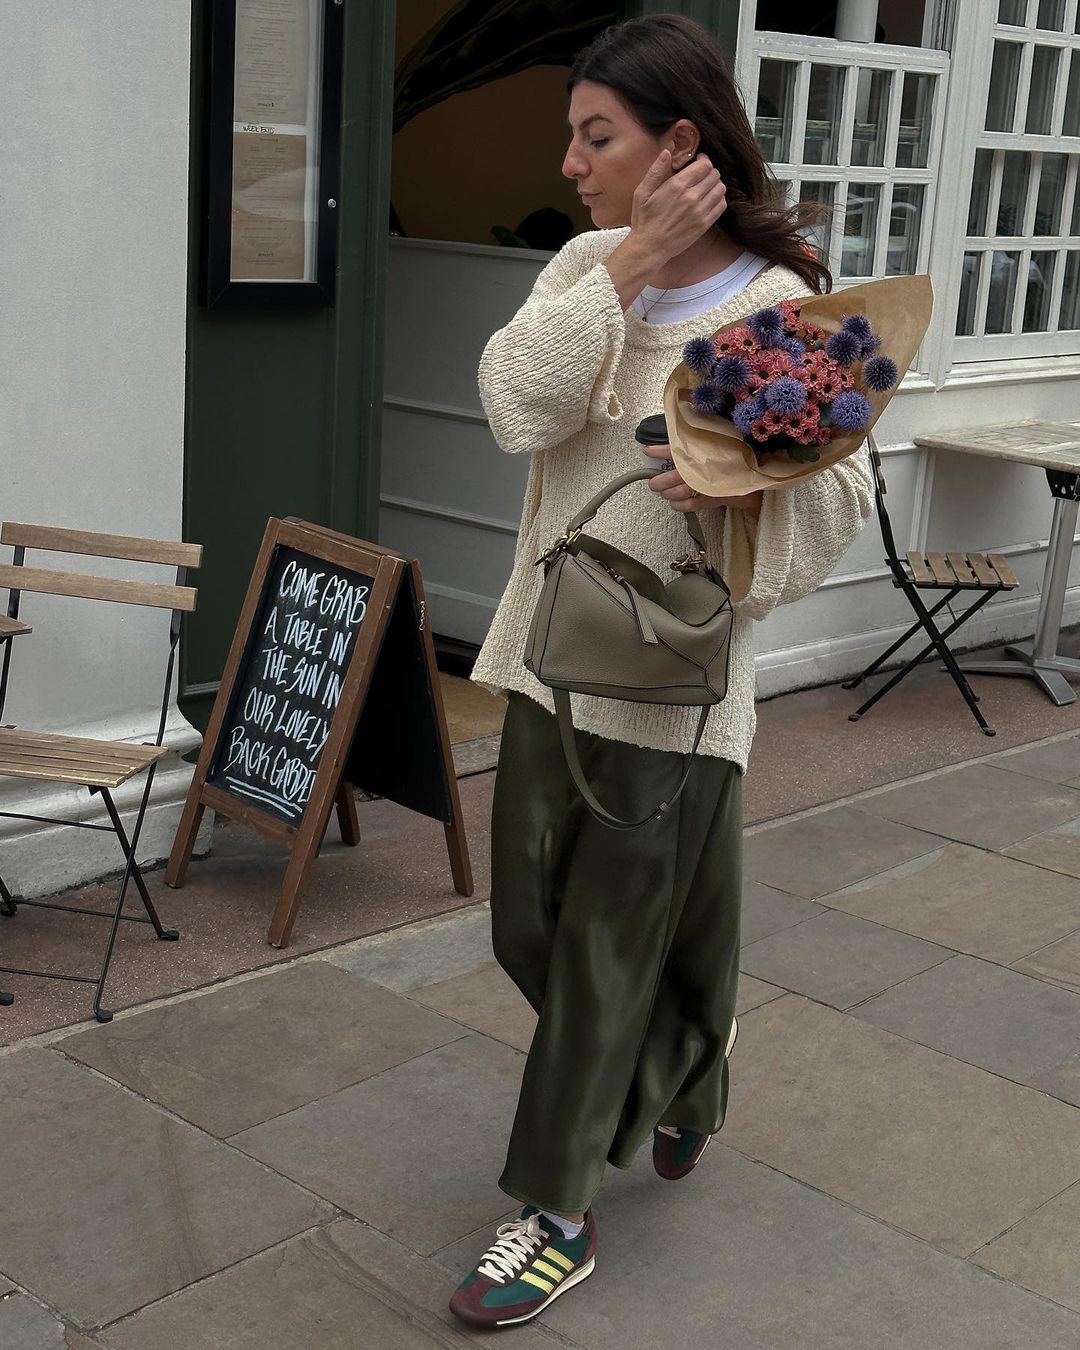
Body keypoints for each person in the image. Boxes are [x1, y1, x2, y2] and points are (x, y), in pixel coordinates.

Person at [451, 13, 873, 1331]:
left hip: (676, 688)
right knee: (526, 923)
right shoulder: (589, 266)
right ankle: (689, 1056)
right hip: (544, 654)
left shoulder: (782, 303)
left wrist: (735, 488)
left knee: (598, 956)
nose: (572, 164)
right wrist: (629, 263)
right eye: (572, 138)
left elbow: (839, 500)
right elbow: (516, 403)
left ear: (680, 143)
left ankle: (554, 1214)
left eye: (598, 137)